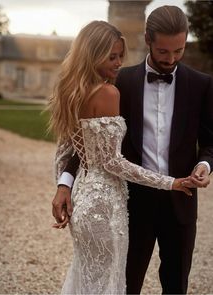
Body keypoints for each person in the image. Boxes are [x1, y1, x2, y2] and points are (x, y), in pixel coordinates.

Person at [52, 6, 213, 295]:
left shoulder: (202, 84)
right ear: (148, 39)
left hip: (181, 203)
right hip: (131, 204)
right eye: (164, 51)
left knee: (177, 285)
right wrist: (64, 183)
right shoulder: (118, 82)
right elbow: (89, 144)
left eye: (179, 50)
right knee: (124, 285)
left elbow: (210, 142)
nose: (171, 59)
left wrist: (205, 165)